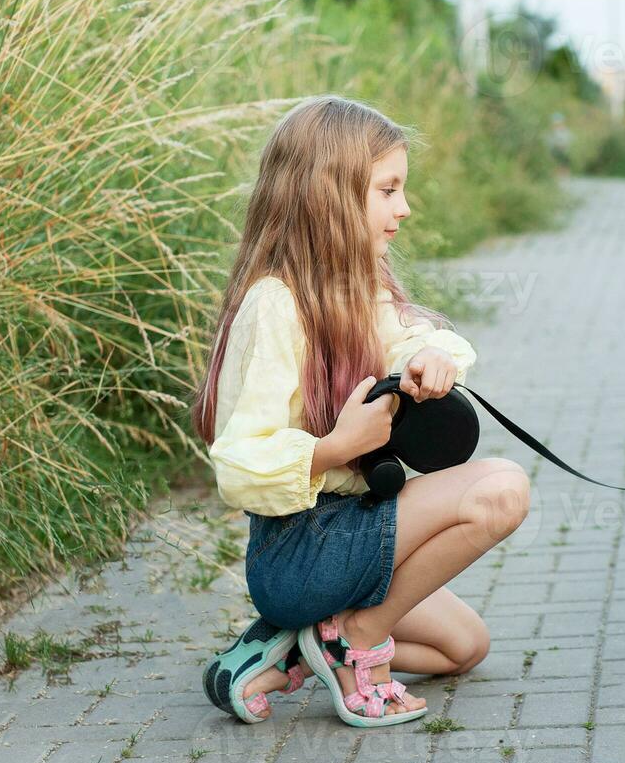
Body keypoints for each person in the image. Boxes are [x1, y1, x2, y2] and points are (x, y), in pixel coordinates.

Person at [190, 96, 531, 726]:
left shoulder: (358, 291)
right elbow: (237, 465)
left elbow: (411, 336)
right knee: (502, 490)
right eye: (388, 189)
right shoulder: (275, 305)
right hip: (299, 548)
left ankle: (296, 648)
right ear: (329, 195)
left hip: (347, 540)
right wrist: (338, 447)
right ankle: (355, 641)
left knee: (464, 648)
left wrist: (431, 357)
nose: (404, 207)